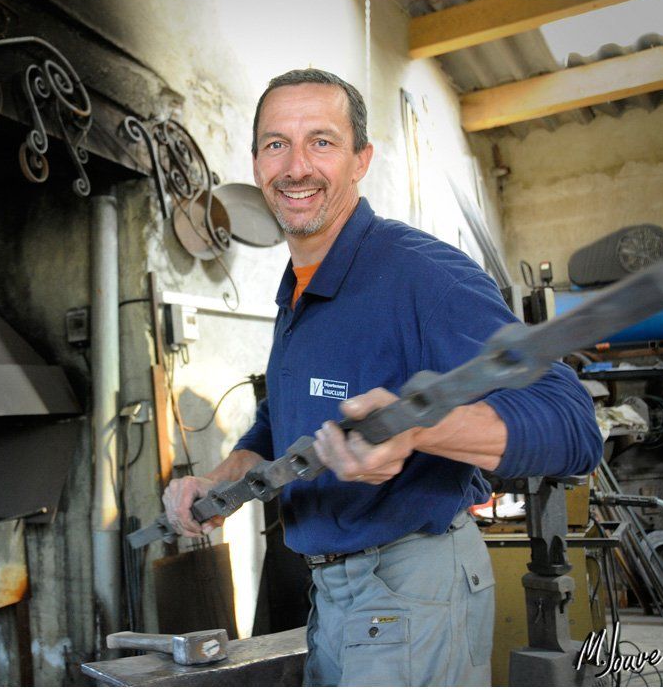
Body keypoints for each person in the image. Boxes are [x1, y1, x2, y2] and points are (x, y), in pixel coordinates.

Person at [161, 69, 602, 686]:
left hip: (411, 586)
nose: (295, 167)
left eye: (321, 141)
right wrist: (217, 481)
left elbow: (572, 423)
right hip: (333, 593)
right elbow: (279, 424)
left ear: (361, 159)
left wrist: (417, 429)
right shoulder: (297, 290)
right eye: (275, 144)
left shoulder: (422, 275)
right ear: (256, 161)